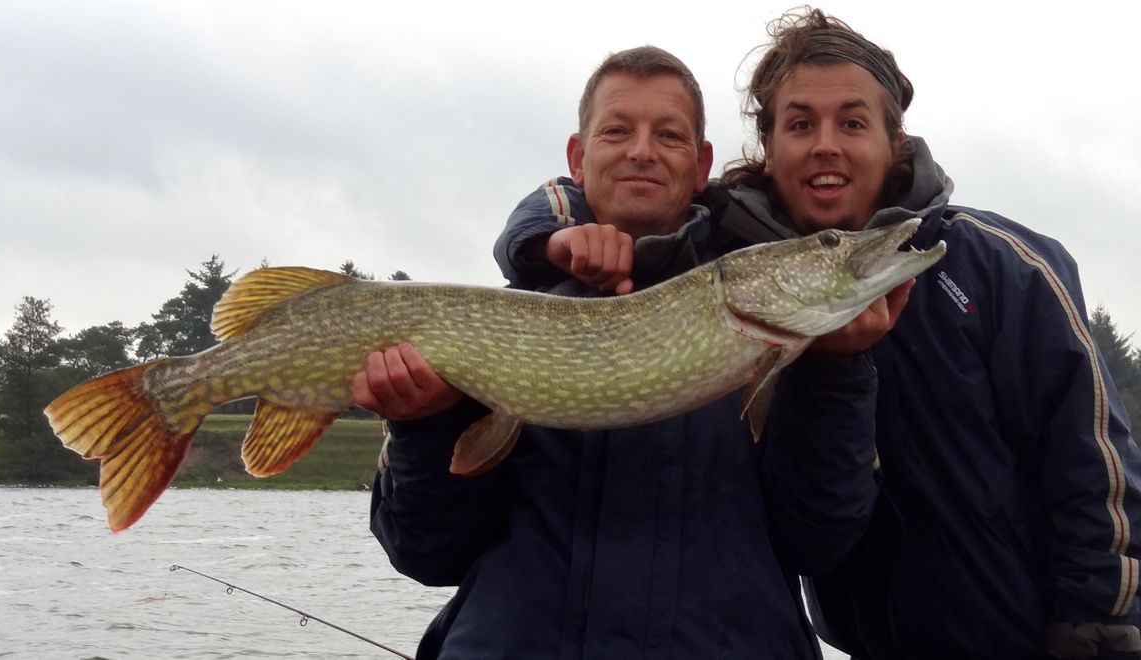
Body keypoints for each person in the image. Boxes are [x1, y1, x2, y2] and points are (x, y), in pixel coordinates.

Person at [495, 9, 1141, 659]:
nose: (825, 145)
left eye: (853, 123)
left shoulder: (1000, 265)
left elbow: (1093, 467)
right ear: (769, 148)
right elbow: (625, 186)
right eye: (800, 124)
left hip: (1034, 638)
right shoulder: (742, 266)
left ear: (895, 140)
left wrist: (1098, 628)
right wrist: (542, 237)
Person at [352, 45, 903, 658]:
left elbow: (820, 542)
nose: (642, 150)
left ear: (701, 165)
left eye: (669, 135)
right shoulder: (500, 324)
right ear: (577, 158)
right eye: (617, 131)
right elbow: (427, 552)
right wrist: (425, 427)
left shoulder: (795, 353)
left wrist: (835, 374)